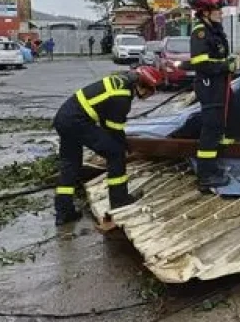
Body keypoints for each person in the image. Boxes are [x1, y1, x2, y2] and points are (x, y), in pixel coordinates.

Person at [53, 65, 163, 225]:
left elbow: (106, 120)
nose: (150, 94)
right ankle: (119, 200)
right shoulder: (122, 96)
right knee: (115, 154)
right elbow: (114, 129)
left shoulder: (119, 82)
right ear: (143, 85)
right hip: (78, 122)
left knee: (70, 164)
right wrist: (125, 147)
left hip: (64, 119)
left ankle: (64, 213)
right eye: (151, 90)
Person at [188, 0, 237, 190]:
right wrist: (225, 66)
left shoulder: (214, 30)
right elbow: (201, 64)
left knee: (216, 128)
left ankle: (212, 168)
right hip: (209, 86)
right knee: (210, 130)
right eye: (218, 9)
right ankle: (205, 176)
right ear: (206, 11)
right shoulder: (200, 32)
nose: (221, 12)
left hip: (218, 85)